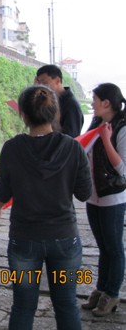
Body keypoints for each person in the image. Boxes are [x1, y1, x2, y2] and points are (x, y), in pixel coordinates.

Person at [0, 85, 92, 330]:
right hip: (65, 238)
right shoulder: (73, 148)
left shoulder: (12, 148)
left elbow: (5, 190)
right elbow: (84, 194)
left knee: (23, 306)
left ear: (23, 115)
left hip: (24, 239)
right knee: (66, 304)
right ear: (55, 113)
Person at [82, 83, 126, 317]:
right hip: (93, 195)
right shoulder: (96, 122)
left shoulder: (122, 127)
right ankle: (101, 290)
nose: (92, 103)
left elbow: (123, 169)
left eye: (95, 99)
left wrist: (106, 139)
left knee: (114, 247)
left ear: (106, 103)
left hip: (113, 197)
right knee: (103, 247)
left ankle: (112, 293)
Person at [35, 64, 83, 137]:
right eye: (39, 84)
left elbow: (72, 137)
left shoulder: (71, 105)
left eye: (44, 83)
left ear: (57, 81)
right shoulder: (49, 99)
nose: (41, 87)